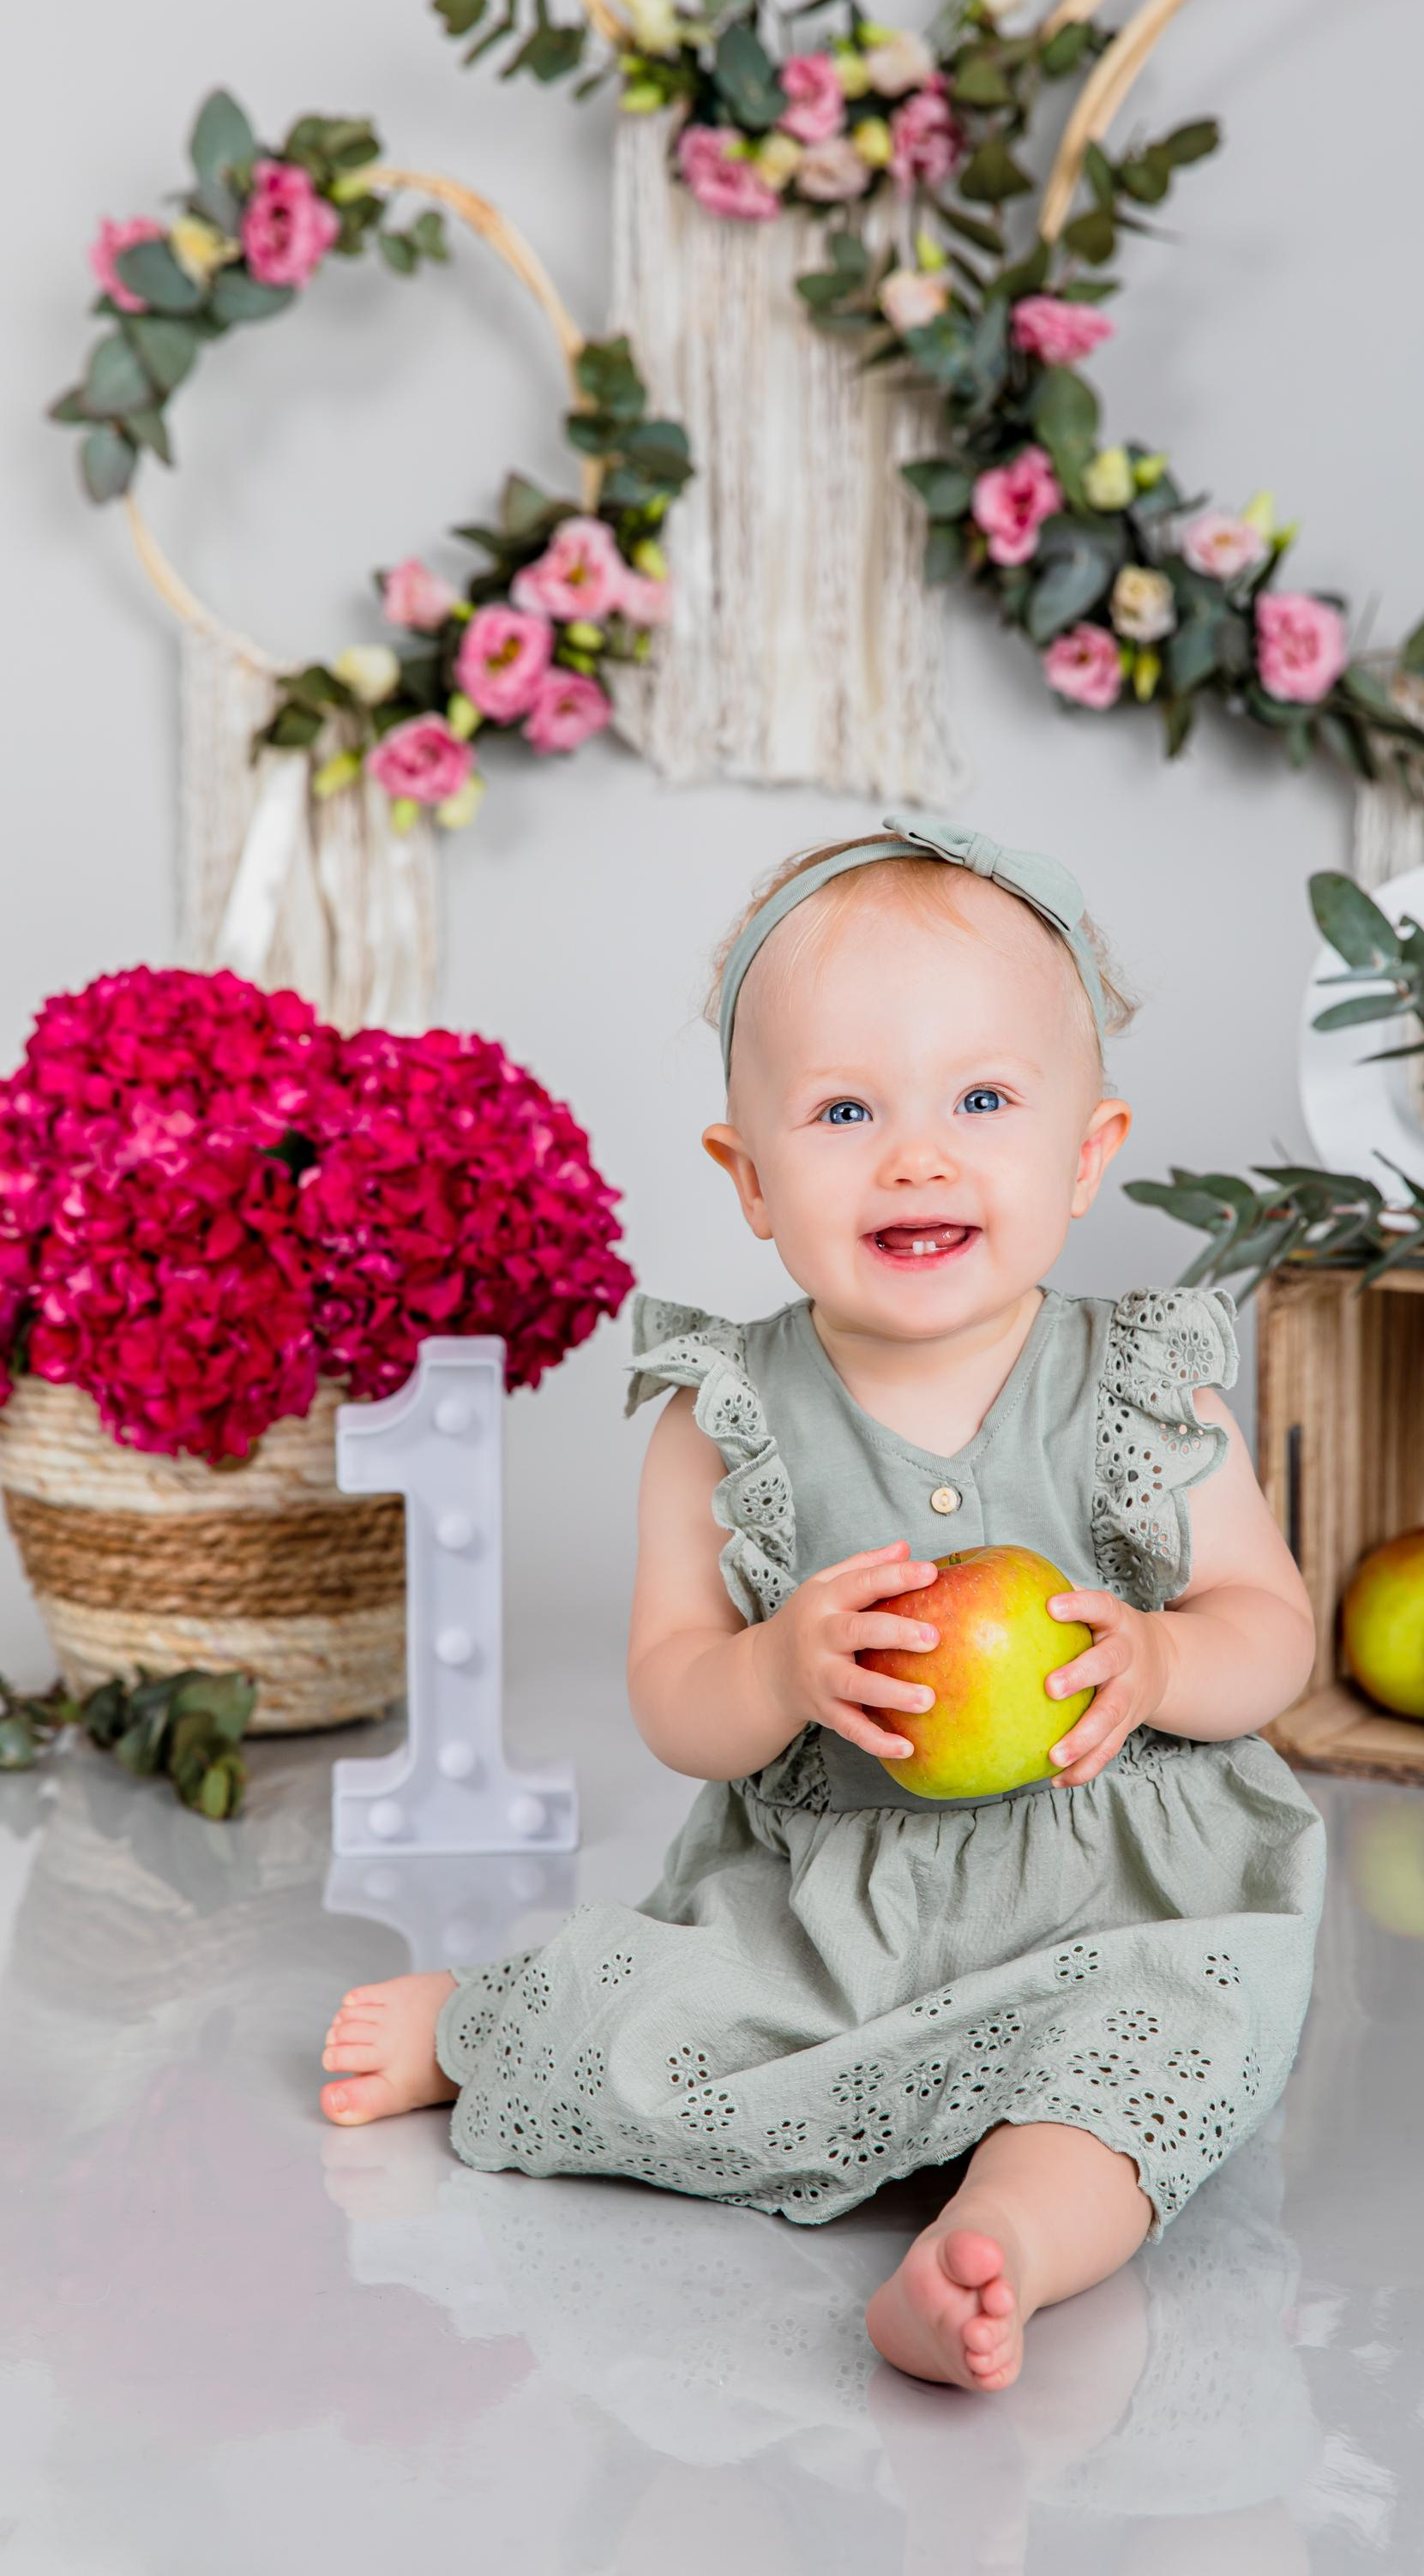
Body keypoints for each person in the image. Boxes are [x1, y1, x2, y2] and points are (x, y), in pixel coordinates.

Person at [317, 814, 1327, 2394]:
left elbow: (1273, 1632)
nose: (918, 1157)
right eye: (847, 1110)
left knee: (1157, 2052)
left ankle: (1000, 2247)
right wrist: (780, 1671)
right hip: (834, 1896)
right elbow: (674, 1695)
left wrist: (1158, 1657)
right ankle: (488, 2022)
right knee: (666, 2021)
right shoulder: (724, 1420)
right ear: (749, 1177)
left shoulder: (1139, 1389)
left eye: (982, 1101)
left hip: (1116, 1895)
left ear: (1085, 1153)